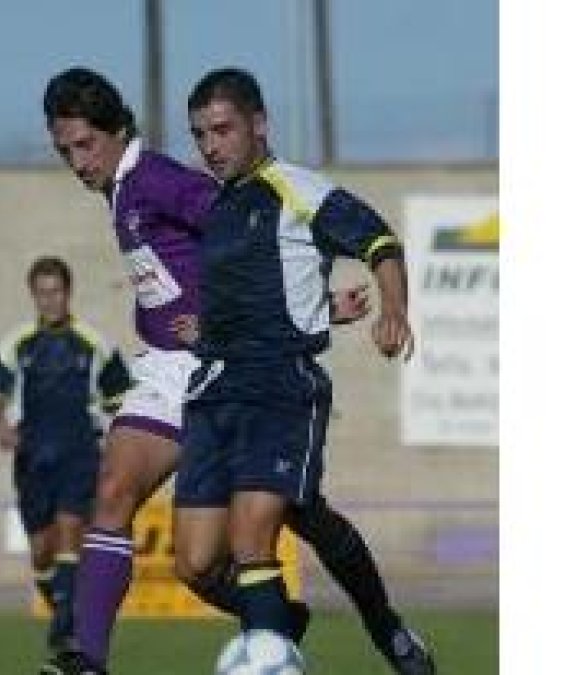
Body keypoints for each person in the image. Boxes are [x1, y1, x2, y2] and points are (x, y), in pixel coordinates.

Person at [38, 67, 424, 675]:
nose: (77, 162)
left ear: (118, 133)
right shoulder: (121, 191)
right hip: (173, 370)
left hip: (241, 367)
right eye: (65, 152)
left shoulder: (163, 180)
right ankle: (95, 658)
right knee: (132, 506)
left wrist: (315, 311)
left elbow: (252, 231)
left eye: (86, 145)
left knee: (295, 519)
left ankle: (379, 628)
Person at [176, 67, 436, 674]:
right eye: (200, 136)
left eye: (222, 130)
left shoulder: (299, 191)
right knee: (195, 564)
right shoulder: (215, 208)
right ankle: (284, 624)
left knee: (251, 541)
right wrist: (211, 329)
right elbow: (267, 295)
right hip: (215, 393)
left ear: (258, 124)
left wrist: (392, 309)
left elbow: (379, 242)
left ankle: (367, 634)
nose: (211, 146)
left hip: (279, 389)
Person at [0, 256, 132, 653]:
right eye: (43, 293)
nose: (50, 300)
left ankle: (65, 628)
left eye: (57, 292)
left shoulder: (94, 344)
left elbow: (122, 400)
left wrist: (120, 444)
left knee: (71, 530)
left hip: (80, 451)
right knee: (41, 550)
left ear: (68, 293)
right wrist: (1, 426)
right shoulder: (17, 344)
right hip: (32, 456)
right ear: (33, 295)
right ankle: (64, 612)